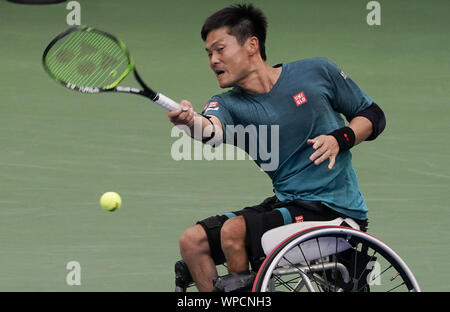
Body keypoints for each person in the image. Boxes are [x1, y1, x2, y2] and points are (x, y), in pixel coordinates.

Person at [169, 4, 386, 292]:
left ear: (251, 45)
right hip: (289, 204)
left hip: (334, 211)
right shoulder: (228, 104)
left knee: (234, 232)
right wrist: (188, 121)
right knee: (192, 241)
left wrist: (340, 138)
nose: (213, 60)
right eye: (209, 53)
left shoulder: (316, 71)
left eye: (220, 49)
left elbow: (373, 115)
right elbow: (210, 129)